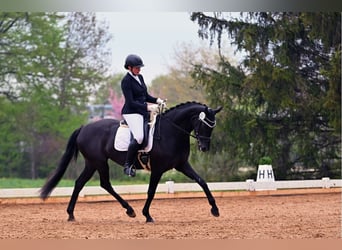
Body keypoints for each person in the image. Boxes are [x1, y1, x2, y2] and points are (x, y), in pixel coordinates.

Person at [121, 54, 164, 177]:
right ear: (129, 67)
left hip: (142, 110)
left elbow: (145, 96)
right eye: (136, 68)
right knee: (139, 137)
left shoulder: (140, 77)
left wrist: (157, 100)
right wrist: (147, 107)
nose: (139, 70)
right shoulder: (126, 81)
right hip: (131, 112)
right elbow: (130, 102)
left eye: (140, 67)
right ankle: (128, 165)